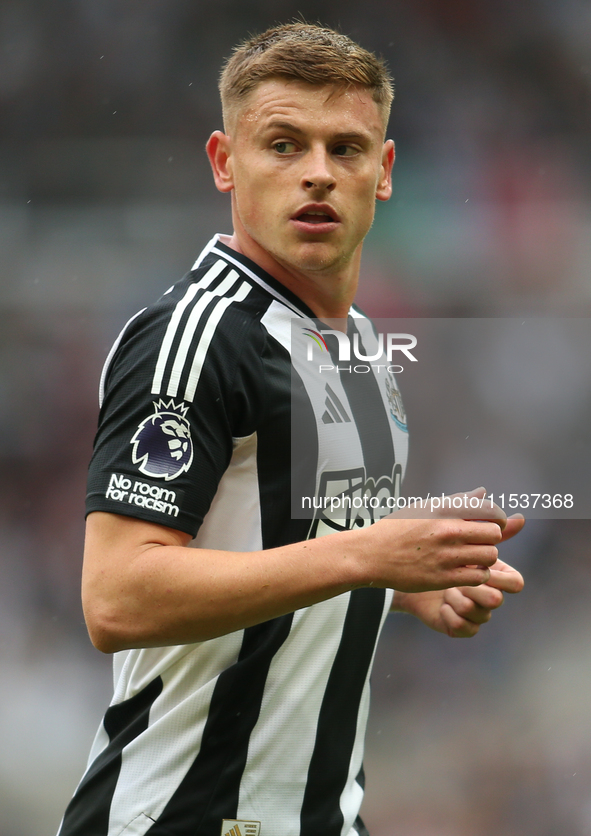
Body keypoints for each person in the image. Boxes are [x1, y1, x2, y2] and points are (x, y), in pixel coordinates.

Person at [58, 22, 524, 836]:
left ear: (381, 173)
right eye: (282, 144)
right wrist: (367, 554)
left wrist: (405, 586)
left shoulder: (358, 346)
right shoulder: (194, 335)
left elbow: (280, 542)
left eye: (345, 149)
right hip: (185, 819)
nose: (316, 174)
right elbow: (118, 595)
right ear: (222, 162)